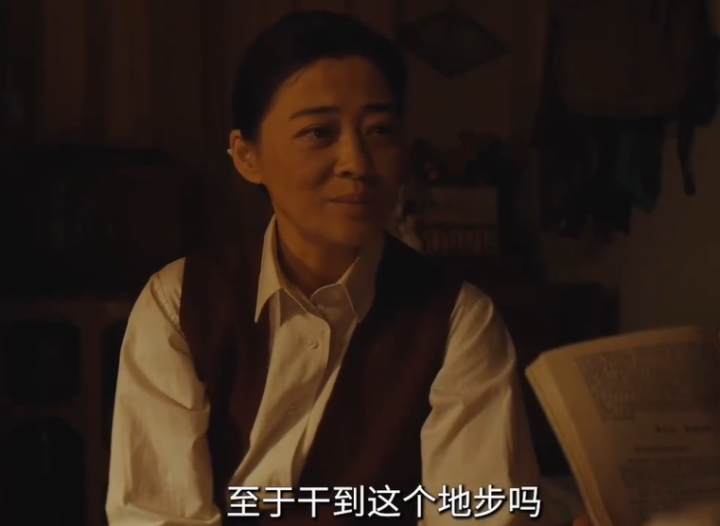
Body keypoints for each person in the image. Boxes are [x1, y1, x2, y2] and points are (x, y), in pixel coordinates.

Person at [105, 10, 540, 526]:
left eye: (379, 130)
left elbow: (478, 512)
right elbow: (157, 513)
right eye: (318, 132)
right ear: (247, 156)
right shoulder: (180, 303)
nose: (356, 162)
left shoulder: (457, 320)